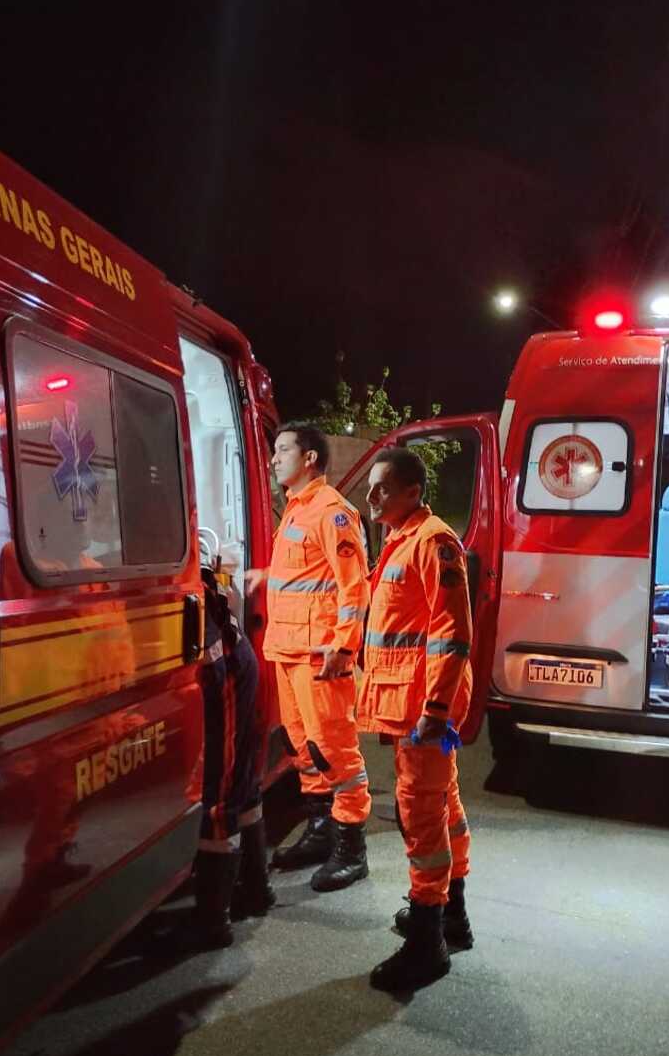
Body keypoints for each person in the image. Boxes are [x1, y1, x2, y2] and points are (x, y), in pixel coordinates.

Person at [357, 446, 473, 992]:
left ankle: (428, 942)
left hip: (423, 707)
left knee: (421, 816)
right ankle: (452, 915)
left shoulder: (433, 543)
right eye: (371, 487)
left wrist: (436, 710)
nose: (371, 496)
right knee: (443, 805)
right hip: (411, 701)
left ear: (411, 492)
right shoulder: (402, 538)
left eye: (382, 488)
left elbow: (453, 634)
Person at [249, 422, 372, 891]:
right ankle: (321, 831)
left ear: (310, 459)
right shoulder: (297, 510)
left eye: (282, 451)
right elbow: (304, 575)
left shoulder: (332, 513)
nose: (273, 458)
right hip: (288, 650)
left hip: (321, 657)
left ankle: (350, 848)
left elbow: (353, 586)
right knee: (304, 749)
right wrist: (264, 576)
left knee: (334, 751)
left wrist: (343, 646)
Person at [174, 564, 275, 949]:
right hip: (233, 665)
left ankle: (213, 922)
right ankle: (256, 888)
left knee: (220, 790)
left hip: (226, 672)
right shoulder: (193, 570)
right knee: (242, 784)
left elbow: (211, 663)